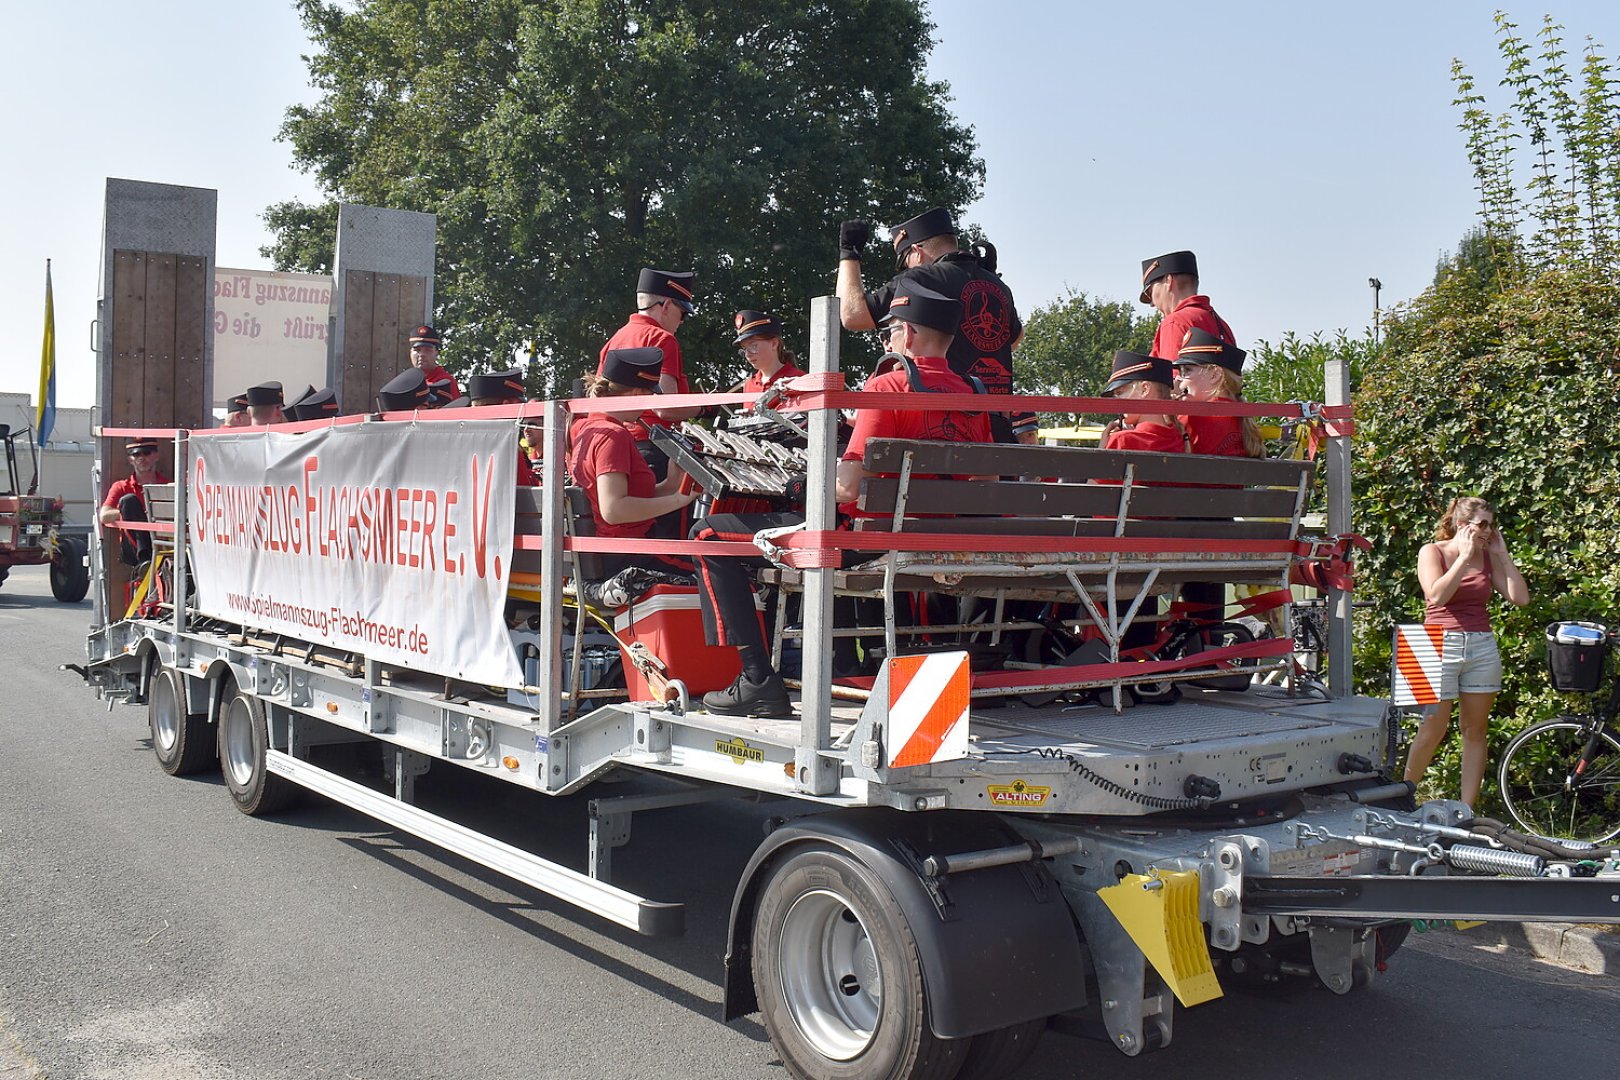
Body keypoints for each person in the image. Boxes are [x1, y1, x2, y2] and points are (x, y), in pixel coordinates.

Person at [691, 283, 990, 717]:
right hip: (937, 537)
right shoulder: (976, 394)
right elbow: (986, 480)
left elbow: (847, 488)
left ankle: (756, 679)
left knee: (708, 535)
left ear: (908, 335)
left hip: (867, 541)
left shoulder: (886, 386)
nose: (886, 340)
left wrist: (804, 485)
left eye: (889, 331)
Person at [836, 207, 1032, 443]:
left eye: (905, 260)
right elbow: (1015, 339)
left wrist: (850, 254)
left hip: (943, 427)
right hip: (997, 430)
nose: (906, 268)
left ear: (917, 252)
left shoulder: (919, 278)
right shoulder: (999, 287)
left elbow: (852, 315)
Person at [1404, 497, 1529, 806]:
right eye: (1482, 524)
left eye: (1492, 524)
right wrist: (1463, 557)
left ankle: (1466, 812)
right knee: (1433, 727)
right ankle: (1401, 797)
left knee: (1476, 730)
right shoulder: (1431, 551)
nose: (1488, 531)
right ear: (1462, 526)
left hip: (1481, 645)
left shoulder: (1488, 556)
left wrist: (1502, 555)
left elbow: (1520, 598)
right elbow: (1437, 596)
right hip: (1434, 643)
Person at [568, 348, 699, 580]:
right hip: (628, 553)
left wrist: (670, 485)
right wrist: (679, 500)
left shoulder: (587, 429)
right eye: (649, 394)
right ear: (638, 392)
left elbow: (616, 499)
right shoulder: (613, 435)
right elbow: (614, 510)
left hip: (615, 552)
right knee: (720, 572)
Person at [597, 268, 701, 481]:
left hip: (611, 445)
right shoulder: (662, 339)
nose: (681, 321)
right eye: (683, 313)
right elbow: (665, 408)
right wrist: (705, 408)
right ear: (667, 305)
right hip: (652, 448)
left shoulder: (614, 339)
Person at [448, 368, 539, 486]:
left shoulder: (459, 443)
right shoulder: (507, 449)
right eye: (518, 405)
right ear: (506, 406)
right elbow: (526, 495)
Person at [1140, 250, 1236, 362]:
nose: (1152, 303)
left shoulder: (1175, 322)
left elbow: (1173, 376)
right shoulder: (1222, 325)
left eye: (1150, 292)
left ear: (1169, 281)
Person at [100, 436, 171, 567]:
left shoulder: (168, 486)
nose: (142, 458)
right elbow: (104, 516)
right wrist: (128, 513)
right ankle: (144, 560)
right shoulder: (121, 487)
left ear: (156, 455)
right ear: (130, 460)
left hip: (164, 544)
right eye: (136, 454)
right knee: (128, 501)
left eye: (147, 453)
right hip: (133, 550)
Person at [1100, 351, 1185, 453]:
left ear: (1145, 389)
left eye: (1120, 392)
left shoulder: (1122, 440)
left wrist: (1102, 449)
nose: (1117, 401)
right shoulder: (1179, 439)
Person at [732, 310, 804, 393]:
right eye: (744, 349)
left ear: (774, 343)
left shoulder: (798, 380)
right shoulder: (749, 385)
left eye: (753, 346)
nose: (747, 355)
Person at [408, 325, 463, 402]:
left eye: (428, 350)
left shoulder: (446, 382)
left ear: (436, 353)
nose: (422, 354)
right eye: (417, 350)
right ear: (410, 352)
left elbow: (457, 412)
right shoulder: (407, 382)